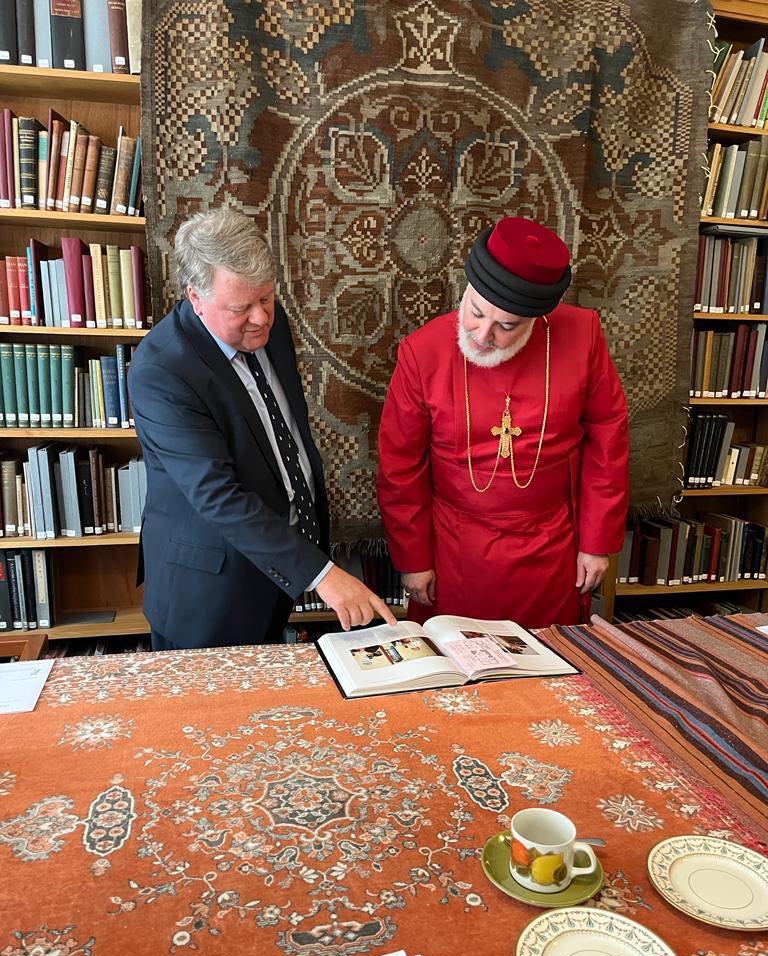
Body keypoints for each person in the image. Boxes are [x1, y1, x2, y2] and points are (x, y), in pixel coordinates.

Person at [130, 207, 395, 650]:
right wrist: (322, 574)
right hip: (209, 591)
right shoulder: (161, 370)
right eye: (241, 308)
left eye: (267, 298)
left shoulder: (271, 321)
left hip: (275, 571)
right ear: (196, 297)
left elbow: (282, 427)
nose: (261, 318)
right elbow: (217, 494)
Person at [377, 216, 629, 629]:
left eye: (506, 326)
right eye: (475, 313)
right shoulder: (422, 352)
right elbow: (399, 466)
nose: (481, 335)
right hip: (454, 548)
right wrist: (414, 559)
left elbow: (609, 441)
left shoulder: (582, 335)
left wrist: (597, 543)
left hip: (553, 547)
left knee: (552, 659)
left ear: (536, 319)